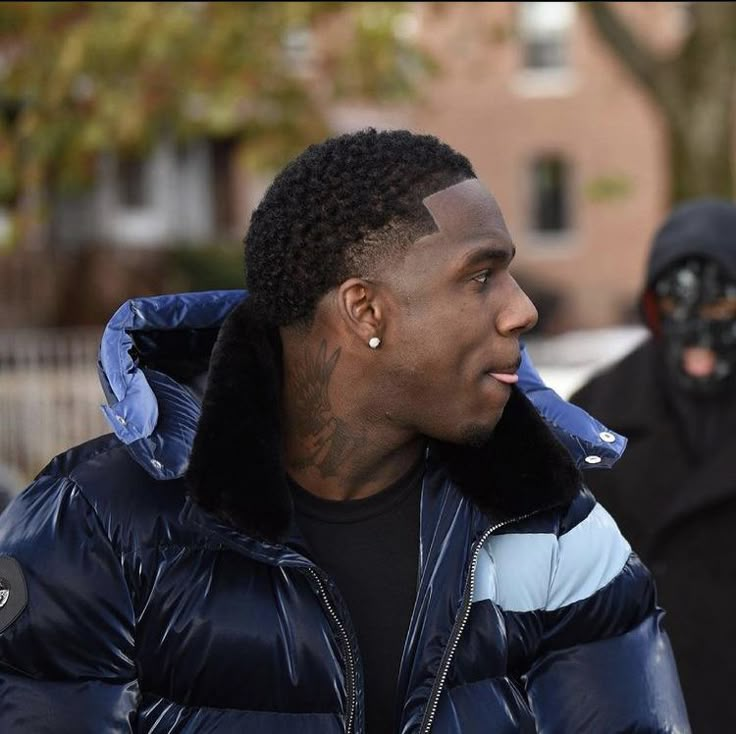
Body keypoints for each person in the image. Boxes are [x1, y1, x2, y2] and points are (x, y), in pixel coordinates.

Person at [0, 129, 688, 733]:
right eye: (481, 277)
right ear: (365, 311)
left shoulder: (554, 527)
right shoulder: (93, 527)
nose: (523, 310)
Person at [570, 198, 736, 733]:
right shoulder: (599, 411)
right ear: (651, 309)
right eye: (674, 303)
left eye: (717, 305)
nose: (695, 327)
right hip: (639, 698)